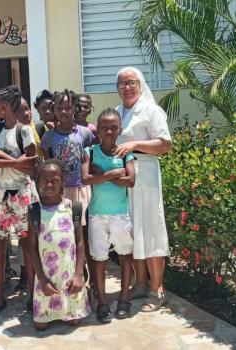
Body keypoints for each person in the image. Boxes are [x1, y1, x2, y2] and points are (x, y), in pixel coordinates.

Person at [114, 66, 172, 312]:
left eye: (131, 82)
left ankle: (156, 289)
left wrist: (135, 144)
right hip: (123, 179)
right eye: (122, 84)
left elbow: (164, 143)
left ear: (140, 84)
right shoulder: (117, 112)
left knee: (151, 230)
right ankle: (140, 284)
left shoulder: (151, 110)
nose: (127, 87)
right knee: (132, 231)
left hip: (145, 177)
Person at [0, 85, 40, 317]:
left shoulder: (24, 131)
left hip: (22, 193)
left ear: (4, 107)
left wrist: (0, 156)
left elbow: (32, 161)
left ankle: (33, 294)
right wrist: (15, 161)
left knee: (28, 244)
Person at [82, 108, 136, 322]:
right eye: (104, 127)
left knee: (125, 255)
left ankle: (124, 298)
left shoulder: (125, 152)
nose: (109, 131)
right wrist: (114, 174)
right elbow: (85, 179)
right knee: (99, 258)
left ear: (119, 129)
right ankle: (102, 302)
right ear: (98, 128)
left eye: (114, 127)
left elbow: (131, 180)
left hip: (120, 214)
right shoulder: (90, 152)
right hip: (96, 214)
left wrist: (101, 175)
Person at [40, 89, 95, 292]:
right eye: (60, 107)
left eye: (68, 107)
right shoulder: (48, 137)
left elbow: (91, 159)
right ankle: (65, 279)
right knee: (66, 237)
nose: (64, 111)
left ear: (75, 109)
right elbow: (47, 166)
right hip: (59, 195)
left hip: (81, 190)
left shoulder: (85, 133)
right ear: (54, 109)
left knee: (85, 237)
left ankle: (89, 283)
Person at [28, 159, 91, 330]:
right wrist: (41, 280)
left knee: (73, 321)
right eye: (44, 180)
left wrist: (79, 274)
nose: (49, 184)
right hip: (46, 278)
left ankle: (71, 304)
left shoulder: (73, 208)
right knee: (40, 325)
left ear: (63, 181)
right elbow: (32, 247)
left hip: (69, 277)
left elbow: (79, 242)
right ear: (37, 182)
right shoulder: (34, 211)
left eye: (55, 180)